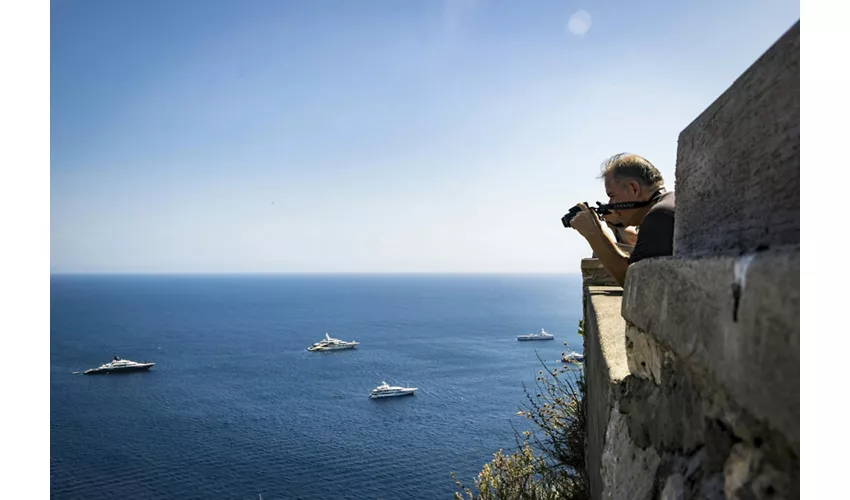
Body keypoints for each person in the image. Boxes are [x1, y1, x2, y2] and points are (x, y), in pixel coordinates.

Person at [568, 153, 675, 286]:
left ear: (633, 188)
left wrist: (592, 233)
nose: (610, 203)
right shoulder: (670, 203)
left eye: (612, 195)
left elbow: (633, 282)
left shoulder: (659, 216)